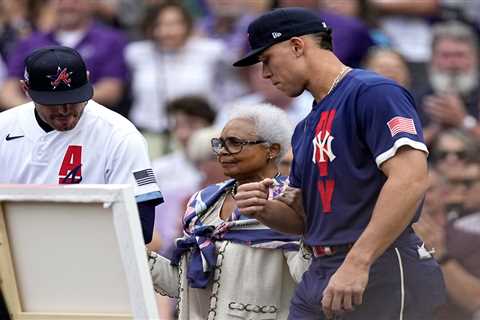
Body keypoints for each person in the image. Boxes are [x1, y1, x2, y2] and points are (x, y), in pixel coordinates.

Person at [232, 7, 445, 319]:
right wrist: (264, 208)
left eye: (267, 60)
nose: (264, 74)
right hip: (321, 269)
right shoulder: (306, 126)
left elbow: (410, 179)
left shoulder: (373, 92)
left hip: (378, 265)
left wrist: (359, 261)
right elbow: (307, 220)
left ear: (296, 46)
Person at [147, 103, 310, 320]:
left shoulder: (290, 201)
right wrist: (137, 256)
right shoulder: (203, 203)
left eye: (235, 143)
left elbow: (306, 275)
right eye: (220, 144)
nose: (222, 152)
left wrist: (309, 223)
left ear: (272, 150)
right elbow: (185, 283)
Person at [0, 45, 163, 245]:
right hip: (11, 251)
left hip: (89, 253)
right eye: (52, 102)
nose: (64, 110)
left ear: (87, 78)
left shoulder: (121, 135)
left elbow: (141, 226)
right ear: (26, 89)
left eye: (73, 99)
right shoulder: (4, 127)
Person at [0, 0, 128, 109]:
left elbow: (112, 90)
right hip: (36, 122)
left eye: (75, 0)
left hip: (91, 121)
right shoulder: (30, 41)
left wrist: (54, 104)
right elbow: (8, 89)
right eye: (61, 0)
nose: (67, 5)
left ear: (90, 3)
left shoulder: (111, 40)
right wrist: (37, 109)